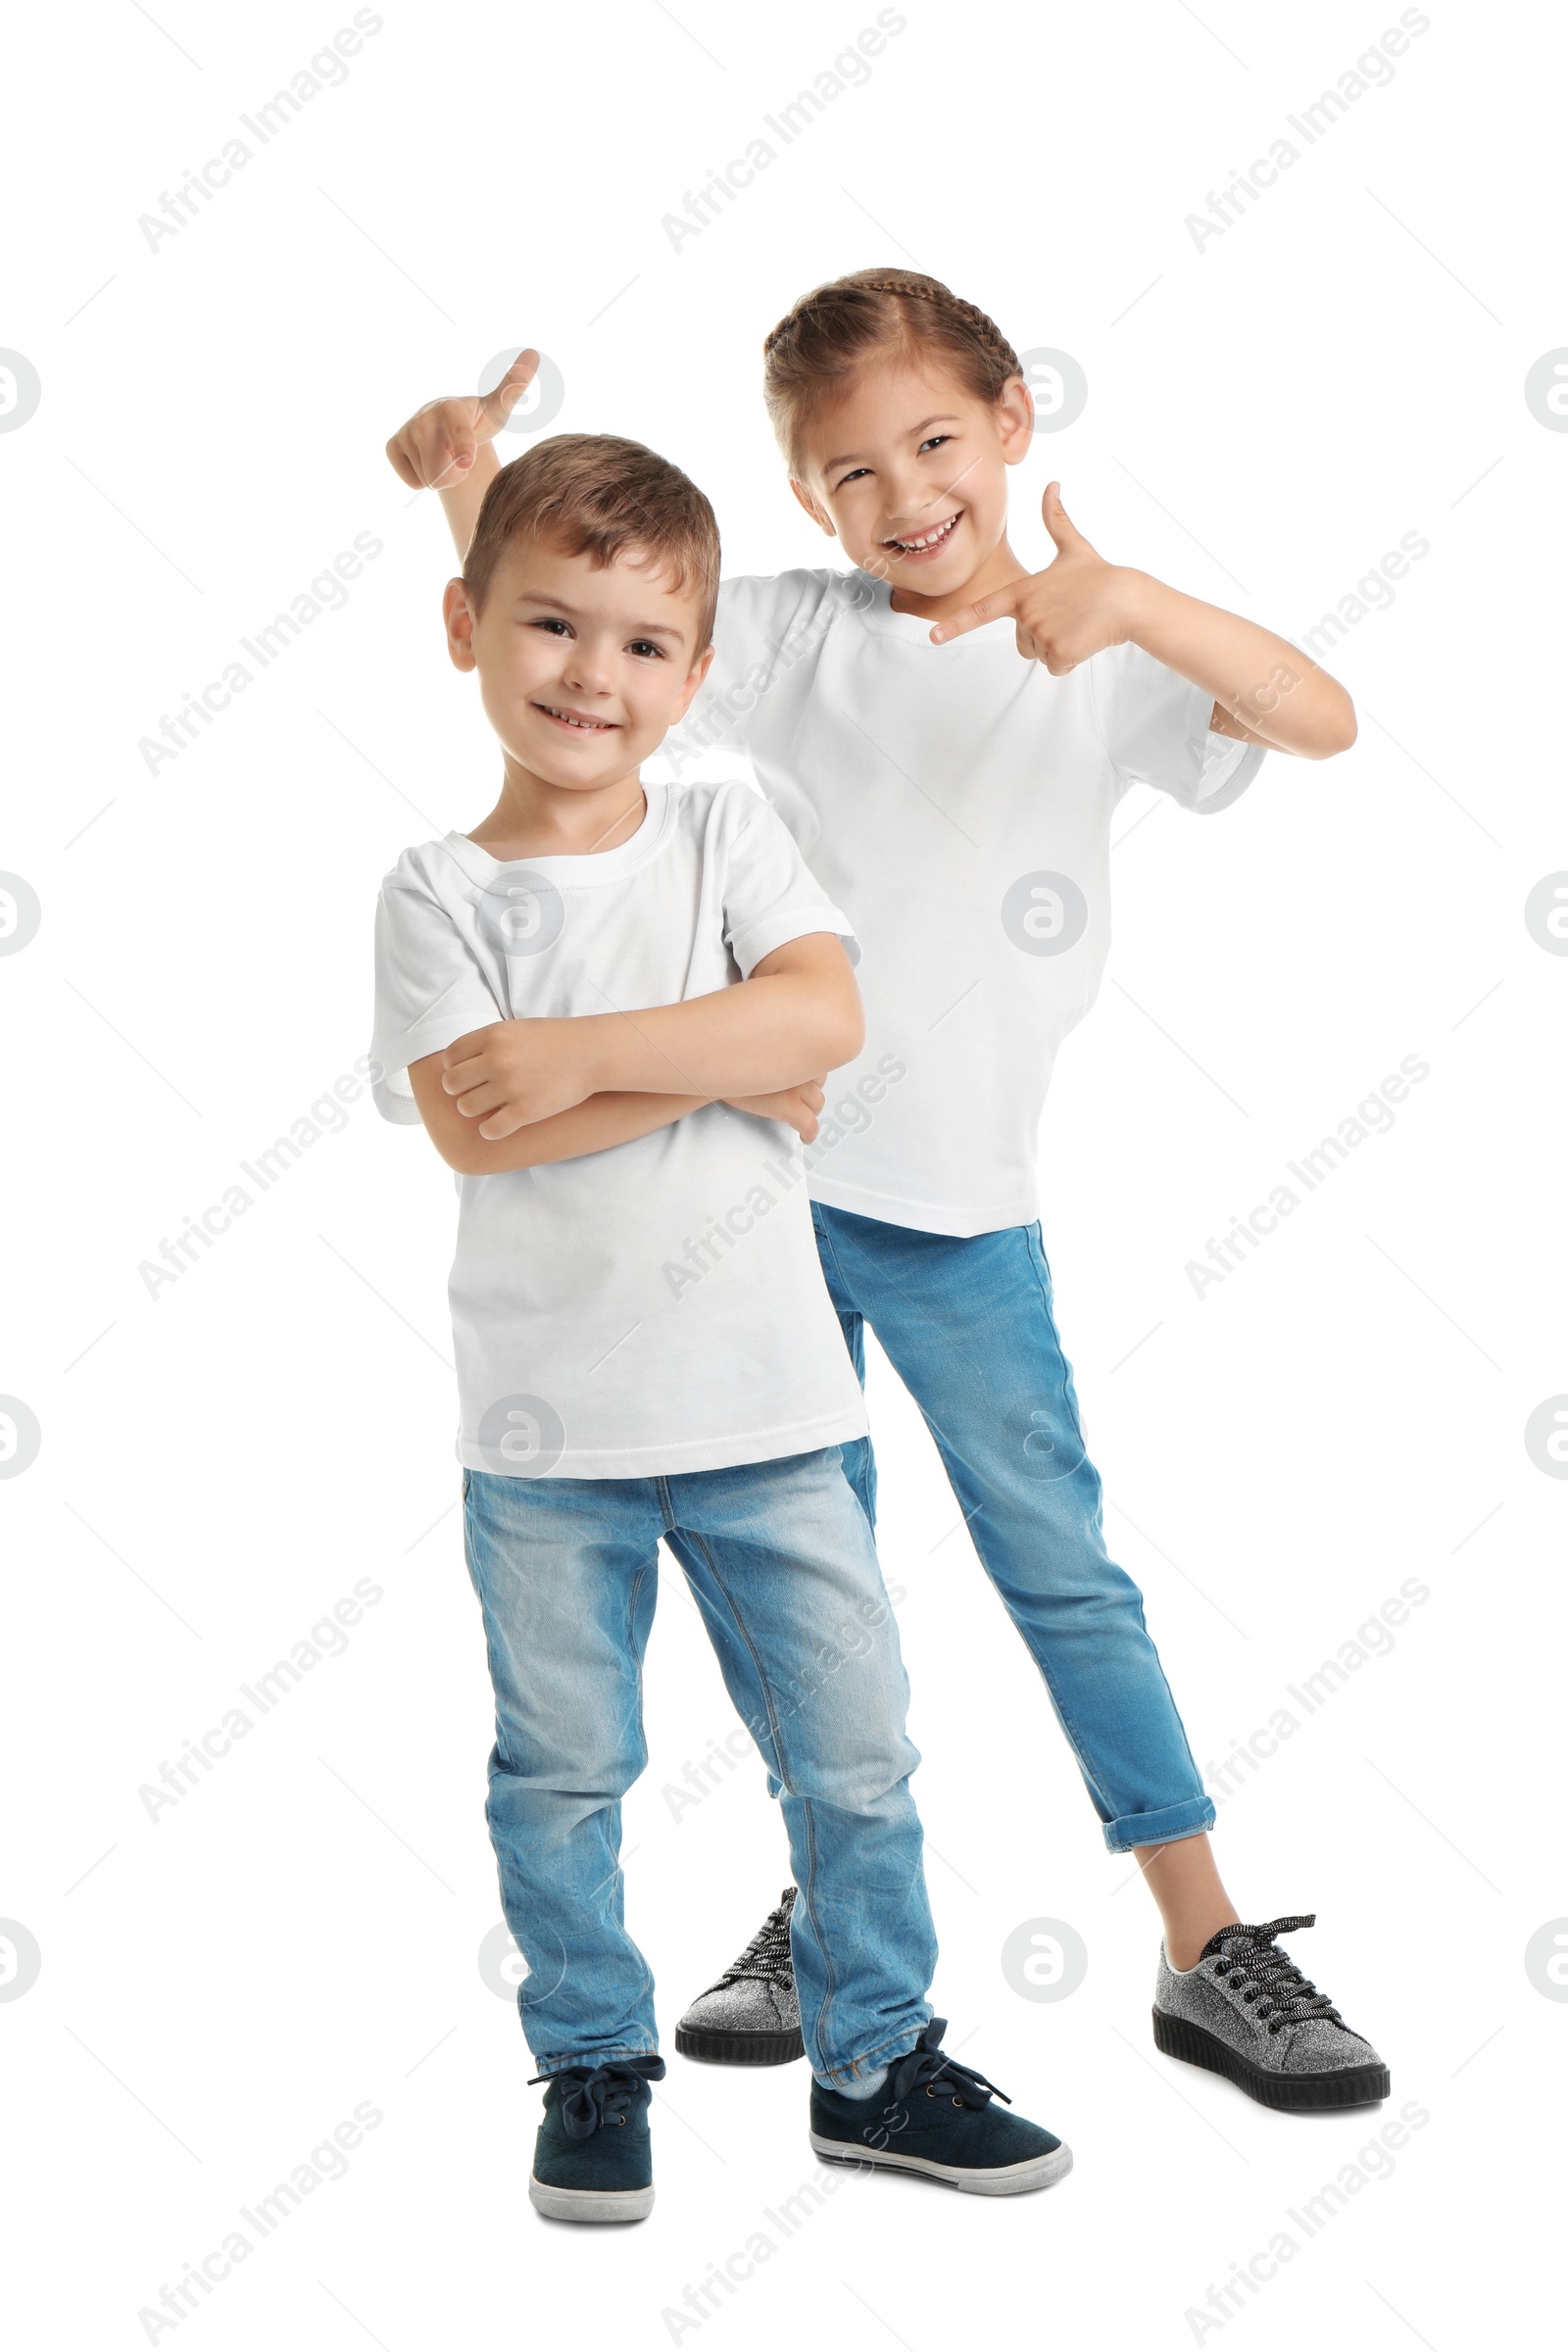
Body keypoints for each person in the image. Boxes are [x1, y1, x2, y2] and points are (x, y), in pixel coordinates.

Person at [384, 270, 1390, 2116]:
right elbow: (601, 640)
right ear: (806, 504)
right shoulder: (795, 636)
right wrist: (473, 480)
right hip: (749, 1204)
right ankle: (828, 1931)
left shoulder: (1098, 652)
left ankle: (1202, 1941)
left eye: (935, 442)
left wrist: (1136, 603)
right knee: (816, 1616)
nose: (903, 495)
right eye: (849, 472)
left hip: (966, 1220)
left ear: (1015, 421)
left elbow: (1321, 718)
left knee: (1059, 1569)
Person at [369, 426, 1071, 2219]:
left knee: (855, 1756)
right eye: (550, 628)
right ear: (465, 626)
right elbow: (467, 1120)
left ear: (694, 671)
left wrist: (587, 1058)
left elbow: (821, 1027)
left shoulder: (726, 824)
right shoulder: (438, 892)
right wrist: (717, 1063)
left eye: (643, 645)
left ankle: (874, 2063)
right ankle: (595, 2060)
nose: (593, 677)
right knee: (563, 1771)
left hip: (769, 1411)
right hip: (546, 1440)